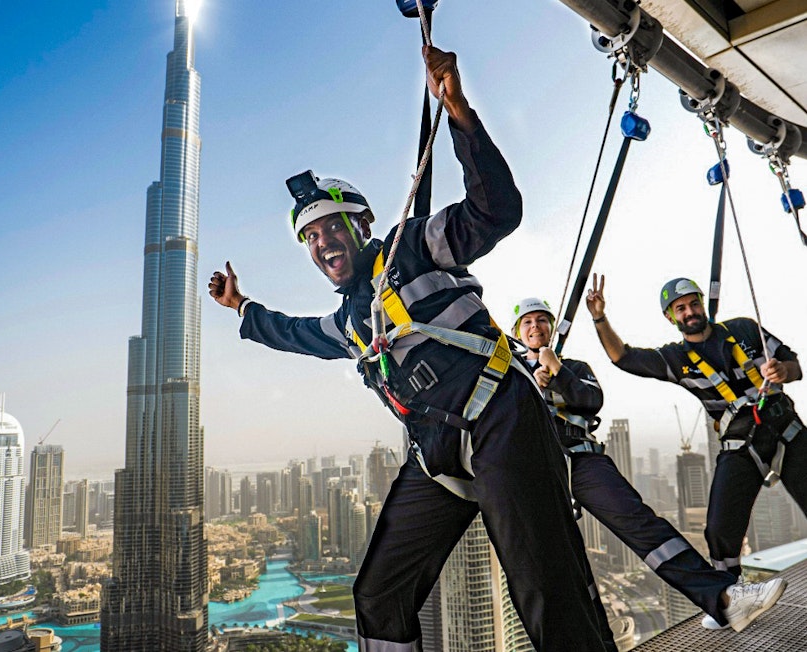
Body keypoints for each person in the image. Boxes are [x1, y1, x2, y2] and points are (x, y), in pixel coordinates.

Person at [209, 45, 612, 652]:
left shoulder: (412, 247)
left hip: (503, 420)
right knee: (378, 595)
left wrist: (459, 113)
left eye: (329, 230)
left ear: (361, 226)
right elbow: (291, 333)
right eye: (309, 239)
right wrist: (243, 308)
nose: (320, 246)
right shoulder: (348, 324)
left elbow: (494, 212)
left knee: (546, 591)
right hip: (438, 457)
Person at [514, 297, 785, 632]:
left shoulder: (575, 369)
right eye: (527, 322)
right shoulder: (510, 373)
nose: (535, 327)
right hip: (532, 466)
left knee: (643, 526)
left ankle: (725, 598)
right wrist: (529, 381)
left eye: (542, 320)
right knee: (546, 560)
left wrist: (556, 371)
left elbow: (590, 400)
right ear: (518, 332)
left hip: (580, 458)